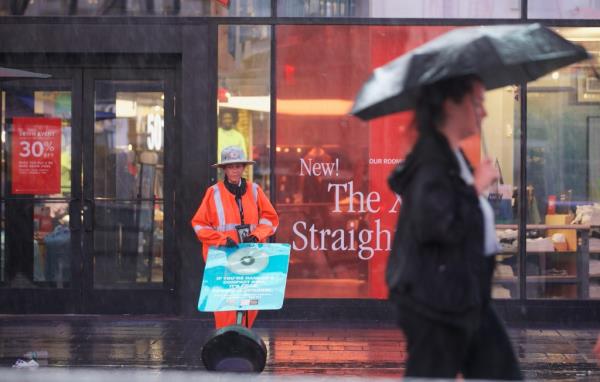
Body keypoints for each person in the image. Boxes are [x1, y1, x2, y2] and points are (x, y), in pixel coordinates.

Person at [386, 75, 522, 380]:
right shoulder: (432, 160)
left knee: (500, 373)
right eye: (477, 103)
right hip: (436, 300)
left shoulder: (451, 155)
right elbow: (435, 223)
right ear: (451, 104)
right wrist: (475, 188)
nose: (484, 112)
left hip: (463, 295)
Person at [191, 145, 279, 329]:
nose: (235, 170)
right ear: (224, 169)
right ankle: (225, 339)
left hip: (250, 257)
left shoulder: (255, 191)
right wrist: (221, 240)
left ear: (243, 167)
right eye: (231, 166)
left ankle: (242, 338)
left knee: (250, 303)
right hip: (224, 257)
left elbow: (271, 219)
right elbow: (199, 225)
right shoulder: (213, 193)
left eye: (238, 166)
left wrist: (257, 235)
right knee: (225, 305)